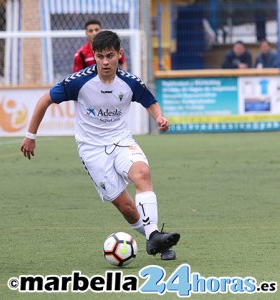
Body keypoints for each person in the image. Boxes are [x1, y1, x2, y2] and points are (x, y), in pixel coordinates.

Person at [21, 31, 180, 260]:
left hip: (121, 141)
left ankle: (154, 235)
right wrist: (30, 135)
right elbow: (44, 100)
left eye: (110, 56)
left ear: (119, 54)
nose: (105, 62)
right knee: (126, 207)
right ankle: (154, 239)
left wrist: (159, 117)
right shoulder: (79, 81)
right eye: (100, 56)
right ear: (94, 56)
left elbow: (149, 101)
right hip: (92, 149)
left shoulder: (129, 82)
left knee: (142, 173)